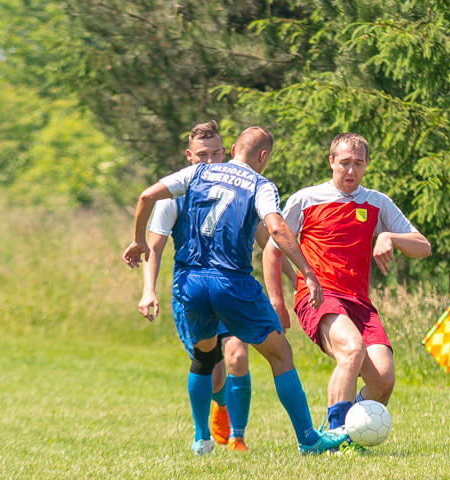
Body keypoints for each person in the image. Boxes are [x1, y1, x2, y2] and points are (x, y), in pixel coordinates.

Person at [124, 126, 348, 456]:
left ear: (231, 150)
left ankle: (202, 440)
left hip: (190, 282)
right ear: (263, 156)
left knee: (203, 358)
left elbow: (145, 196)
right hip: (231, 282)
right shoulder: (260, 185)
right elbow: (274, 229)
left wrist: (137, 239)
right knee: (280, 353)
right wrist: (307, 273)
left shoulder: (197, 174)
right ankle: (308, 439)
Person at [263, 132, 431, 448]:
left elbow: (423, 246)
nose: (351, 171)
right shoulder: (306, 199)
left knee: (382, 381)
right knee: (351, 349)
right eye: (344, 163)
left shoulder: (377, 202)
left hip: (359, 303)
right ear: (331, 162)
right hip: (318, 295)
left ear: (366, 164)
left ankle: (347, 426)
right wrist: (277, 302)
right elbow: (272, 250)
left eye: (358, 163)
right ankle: (335, 437)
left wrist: (390, 238)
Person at [140, 120, 295, 453]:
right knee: (212, 368)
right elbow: (154, 247)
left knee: (237, 354)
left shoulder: (238, 189)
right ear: (189, 155)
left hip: (230, 284)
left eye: (216, 153)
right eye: (202, 155)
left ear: (228, 152)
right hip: (193, 286)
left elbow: (267, 241)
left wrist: (294, 278)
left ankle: (237, 436)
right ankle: (216, 412)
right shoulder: (176, 193)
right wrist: (148, 290)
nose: (210, 160)